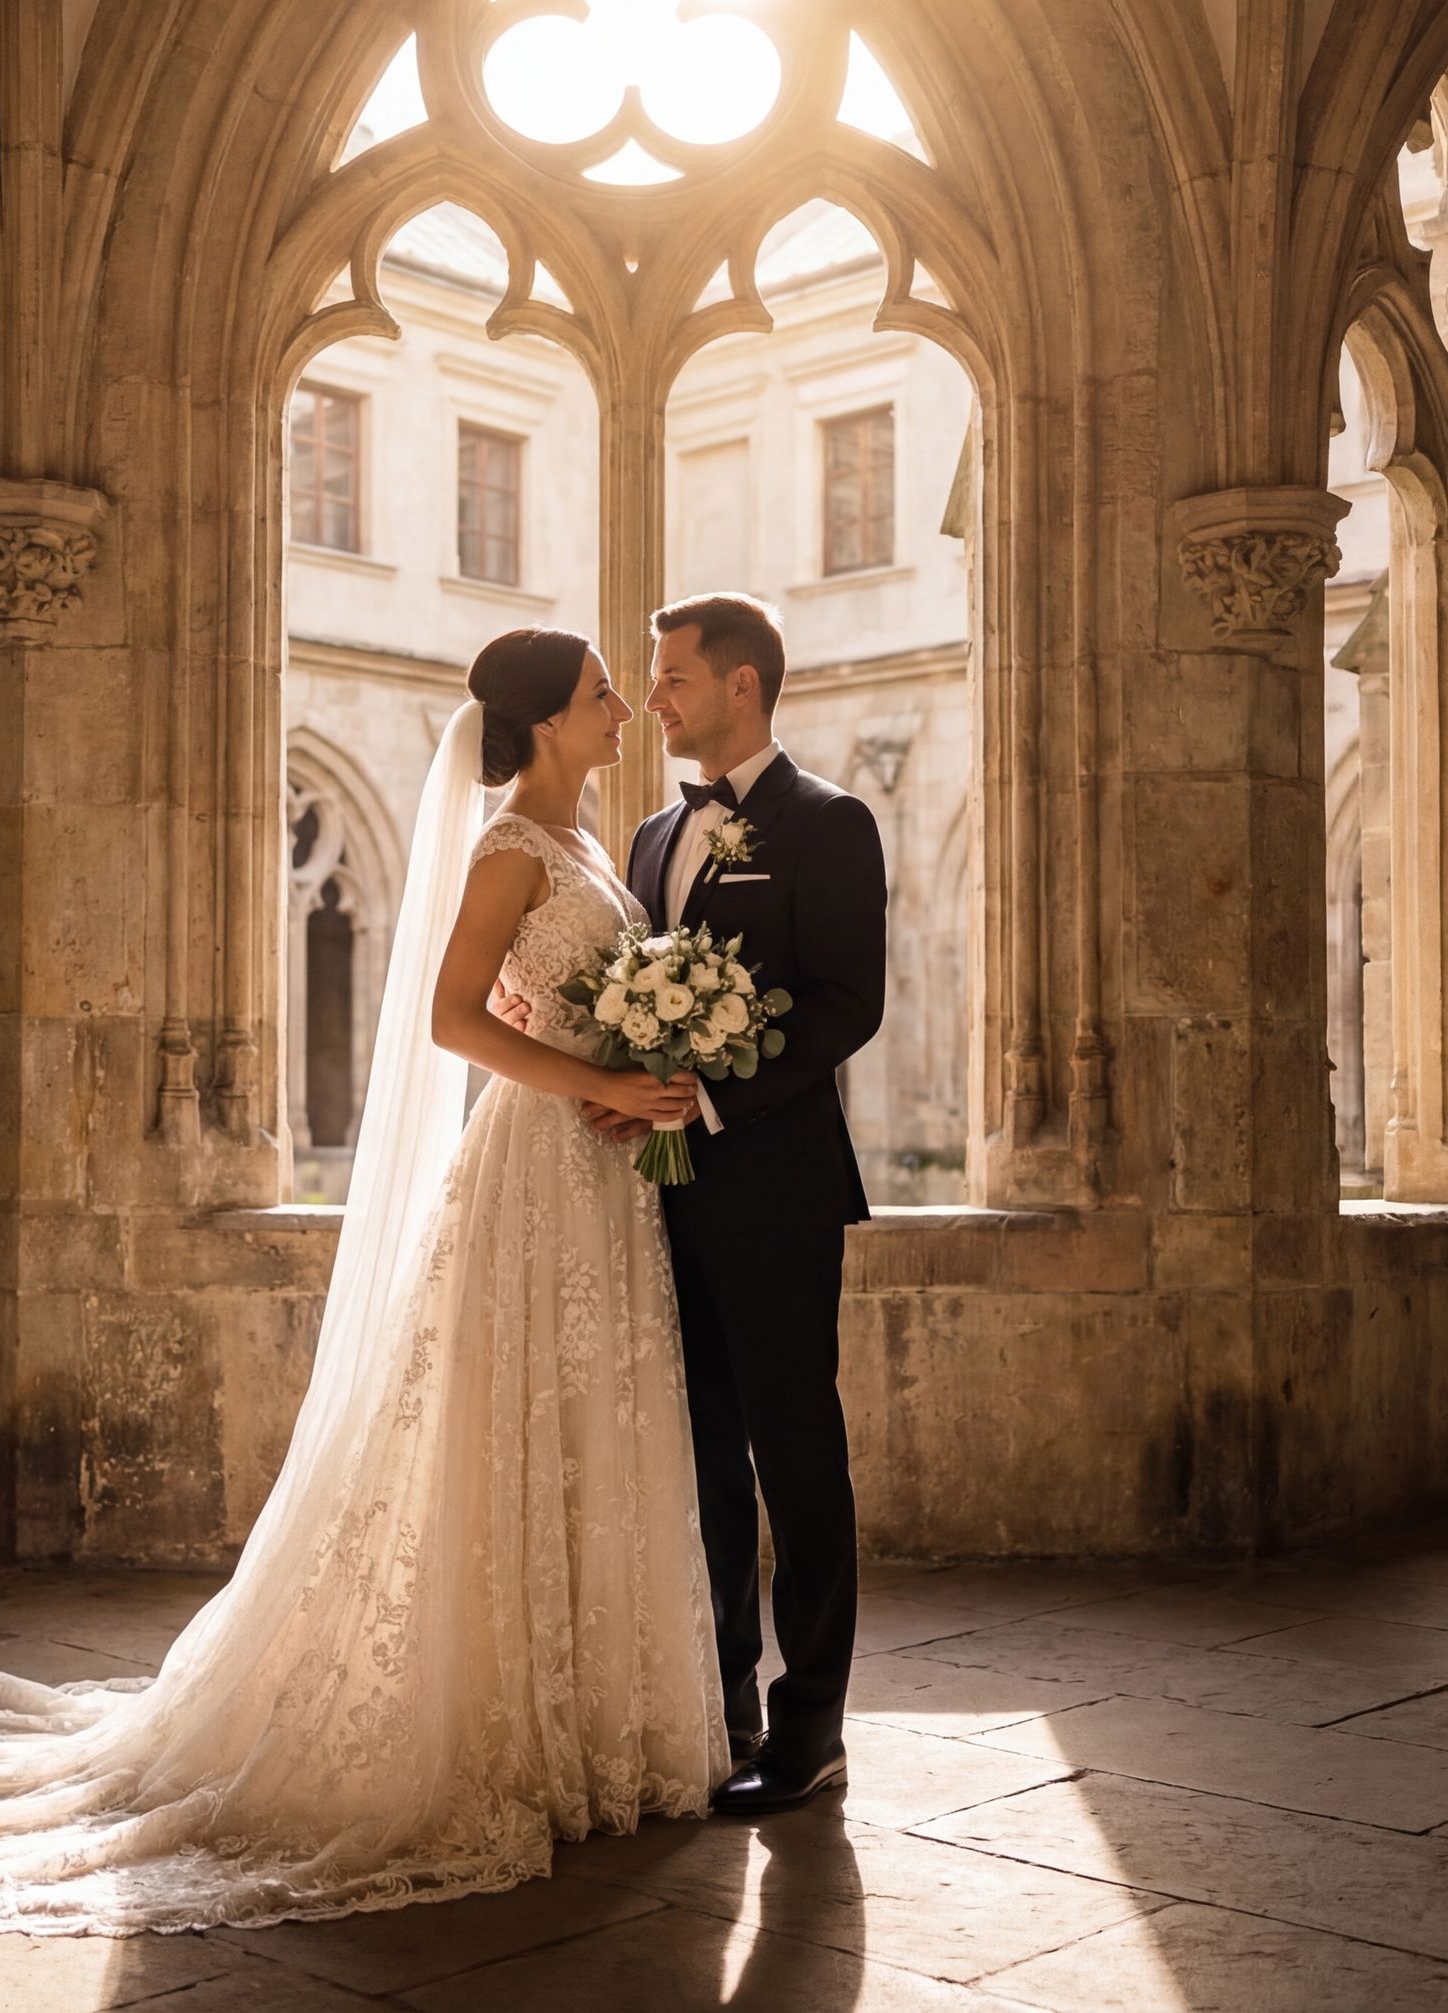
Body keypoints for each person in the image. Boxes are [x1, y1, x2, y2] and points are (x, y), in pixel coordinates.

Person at [0, 628, 728, 1935]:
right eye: (600, 691)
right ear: (548, 721)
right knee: (510, 1428)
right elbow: (459, 1022)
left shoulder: (585, 848)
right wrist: (603, 1082)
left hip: (604, 1182)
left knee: (593, 1426)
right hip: (533, 1173)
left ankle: (596, 1727)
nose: (625, 705)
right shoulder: (509, 848)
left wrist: (646, 1080)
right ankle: (514, 1724)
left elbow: (581, 1011)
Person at [606, 592, 885, 1816]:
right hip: (656, 1196)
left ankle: (809, 1725)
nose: (654, 698)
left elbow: (843, 1005)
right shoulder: (648, 837)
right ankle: (717, 1705)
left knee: (794, 1450)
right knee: (702, 1453)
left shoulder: (830, 823)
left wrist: (708, 1099)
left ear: (743, 687)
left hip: (773, 1187)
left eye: (671, 677)